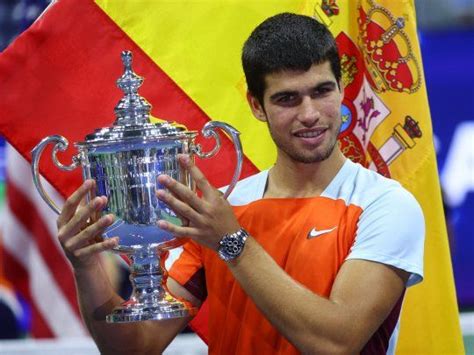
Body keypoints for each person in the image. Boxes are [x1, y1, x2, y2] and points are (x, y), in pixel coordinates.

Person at [56, 13, 424, 354]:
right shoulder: (222, 212)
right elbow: (134, 348)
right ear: (256, 106)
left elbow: (336, 342)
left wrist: (232, 243)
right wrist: (86, 267)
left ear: (342, 88)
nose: (310, 114)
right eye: (287, 99)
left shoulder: (386, 205)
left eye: (322, 91)